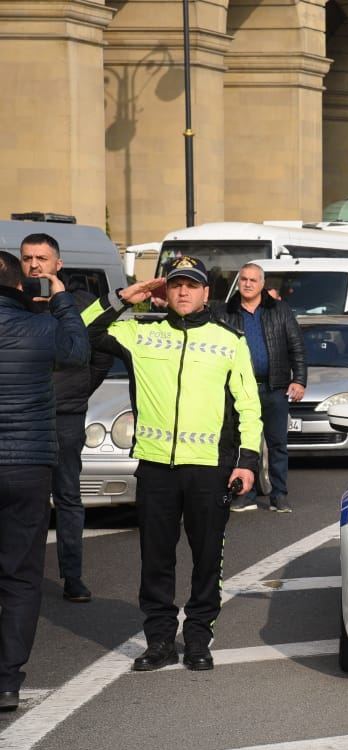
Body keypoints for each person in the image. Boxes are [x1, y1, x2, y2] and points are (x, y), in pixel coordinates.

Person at [82, 256, 262, 672]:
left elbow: (249, 407)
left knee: (205, 558)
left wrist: (247, 461)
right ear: (166, 291)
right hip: (156, 467)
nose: (183, 291)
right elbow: (82, 330)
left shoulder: (229, 340)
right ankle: (160, 641)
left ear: (205, 293)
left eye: (191, 285)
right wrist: (128, 296)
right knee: (156, 558)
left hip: (209, 467)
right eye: (176, 284)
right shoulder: (139, 334)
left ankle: (198, 638)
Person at [0, 251, 89, 712]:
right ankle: (8, 680)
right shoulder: (40, 328)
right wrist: (61, 300)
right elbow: (78, 351)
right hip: (27, 465)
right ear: (21, 287)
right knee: (19, 575)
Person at [20, 233, 113, 603]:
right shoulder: (14, 303)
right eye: (27, 258)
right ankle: (24, 578)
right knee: (26, 501)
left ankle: (72, 576)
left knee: (68, 497)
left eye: (42, 258)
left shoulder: (80, 305)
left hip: (66, 416)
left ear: (58, 264)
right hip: (25, 416)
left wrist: (80, 389)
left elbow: (102, 352)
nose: (34, 264)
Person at [213, 263, 306, 513]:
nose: (248, 284)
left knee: (277, 444)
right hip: (240, 390)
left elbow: (296, 346)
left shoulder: (279, 310)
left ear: (262, 284)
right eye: (243, 279)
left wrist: (299, 380)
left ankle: (279, 495)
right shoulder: (224, 312)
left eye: (253, 280)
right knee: (243, 443)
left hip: (274, 387)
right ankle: (246, 494)